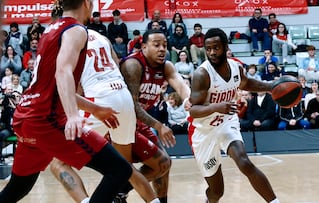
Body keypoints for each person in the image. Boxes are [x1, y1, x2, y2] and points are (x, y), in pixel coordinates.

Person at [0, 1, 134, 202]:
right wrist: (72, 116)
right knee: (120, 169)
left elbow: (53, 86)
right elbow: (63, 71)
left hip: (27, 119)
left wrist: (94, 109)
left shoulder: (50, 30)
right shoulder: (76, 29)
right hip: (47, 121)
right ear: (87, 4)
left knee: (18, 188)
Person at [50, 29, 160, 203]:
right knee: (125, 167)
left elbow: (69, 84)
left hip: (99, 99)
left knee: (58, 163)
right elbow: (116, 66)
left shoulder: (65, 37)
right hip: (123, 97)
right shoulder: (101, 37)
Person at [188, 28, 279, 203]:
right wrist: (216, 107)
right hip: (203, 132)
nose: (212, 53)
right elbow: (193, 111)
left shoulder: (236, 66)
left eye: (216, 48)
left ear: (225, 47)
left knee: (244, 162)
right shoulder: (202, 74)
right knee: (216, 192)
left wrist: (270, 87)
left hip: (226, 122)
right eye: (208, 49)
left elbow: (246, 83)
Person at [120, 29, 191, 203]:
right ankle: (118, 190)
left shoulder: (166, 66)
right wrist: (159, 126)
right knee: (162, 163)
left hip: (139, 121)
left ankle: (121, 191)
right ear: (144, 47)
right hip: (121, 122)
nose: (162, 49)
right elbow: (132, 106)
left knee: (164, 166)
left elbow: (180, 85)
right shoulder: (133, 65)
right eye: (156, 45)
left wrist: (189, 100)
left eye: (165, 46)